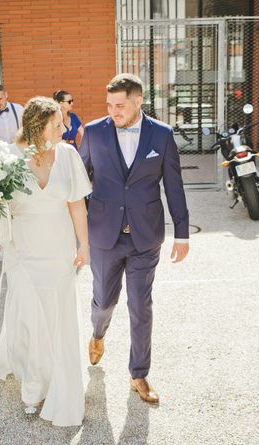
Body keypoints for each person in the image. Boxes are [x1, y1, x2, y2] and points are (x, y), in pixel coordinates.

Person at [80, 73, 190, 404]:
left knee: (141, 305)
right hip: (104, 235)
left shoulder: (162, 134)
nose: (114, 111)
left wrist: (181, 233)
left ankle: (139, 374)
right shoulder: (93, 132)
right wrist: (81, 225)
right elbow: (77, 180)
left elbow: (173, 184)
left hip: (145, 236)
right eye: (109, 105)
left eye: (121, 105)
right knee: (105, 301)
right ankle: (98, 333)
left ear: (138, 101)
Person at [0, 97, 91, 427]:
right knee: (31, 319)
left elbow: (76, 204)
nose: (65, 128)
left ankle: (58, 378)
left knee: (56, 317)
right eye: (57, 124)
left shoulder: (69, 155)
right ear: (37, 127)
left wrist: (84, 244)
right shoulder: (10, 158)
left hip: (59, 249)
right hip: (24, 251)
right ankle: (32, 387)